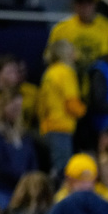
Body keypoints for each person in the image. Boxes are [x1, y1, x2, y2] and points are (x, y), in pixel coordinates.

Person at [37, 39, 86, 174]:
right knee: (62, 170)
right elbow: (72, 104)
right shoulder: (65, 72)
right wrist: (86, 112)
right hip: (61, 127)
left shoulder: (49, 72)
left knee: (53, 167)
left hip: (47, 127)